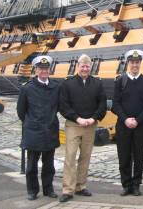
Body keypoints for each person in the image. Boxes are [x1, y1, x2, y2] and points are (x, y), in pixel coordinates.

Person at [59, 54, 107, 203]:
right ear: (77, 66)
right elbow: (63, 105)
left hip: (90, 125)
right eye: (82, 66)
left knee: (85, 157)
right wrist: (77, 118)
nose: (85, 68)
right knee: (70, 157)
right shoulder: (68, 84)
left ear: (90, 67)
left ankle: (80, 186)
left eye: (87, 66)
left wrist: (94, 118)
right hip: (74, 124)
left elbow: (102, 104)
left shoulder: (97, 84)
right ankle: (68, 189)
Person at [17, 55, 60, 201]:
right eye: (41, 69)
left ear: (49, 70)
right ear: (36, 70)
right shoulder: (27, 88)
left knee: (49, 165)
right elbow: (21, 111)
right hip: (33, 132)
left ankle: (48, 189)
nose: (44, 71)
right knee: (31, 166)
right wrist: (32, 122)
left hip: (50, 130)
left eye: (46, 68)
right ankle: (32, 190)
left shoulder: (55, 87)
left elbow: (59, 107)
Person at [112, 49, 143, 196]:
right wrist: (126, 119)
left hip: (140, 126)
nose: (135, 65)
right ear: (128, 63)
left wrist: (137, 120)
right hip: (123, 125)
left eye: (137, 62)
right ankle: (126, 184)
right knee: (124, 156)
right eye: (132, 62)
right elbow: (115, 104)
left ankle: (136, 185)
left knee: (138, 156)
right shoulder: (120, 81)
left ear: (140, 63)